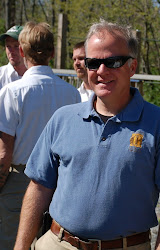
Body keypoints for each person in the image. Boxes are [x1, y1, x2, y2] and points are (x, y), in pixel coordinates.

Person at [14, 20, 160, 250]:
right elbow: (38, 188)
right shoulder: (62, 119)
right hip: (58, 243)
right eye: (94, 63)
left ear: (132, 66)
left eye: (113, 61)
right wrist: (21, 246)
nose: (102, 71)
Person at [0, 21, 81, 249]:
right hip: (58, 181)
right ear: (52, 52)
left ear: (22, 51)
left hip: (19, 181)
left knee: (12, 242)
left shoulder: (12, 93)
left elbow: (4, 154)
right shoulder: (72, 94)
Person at [0, 25, 27, 89]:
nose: (11, 51)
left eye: (16, 46)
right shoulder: (1, 75)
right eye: (8, 46)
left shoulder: (37, 76)